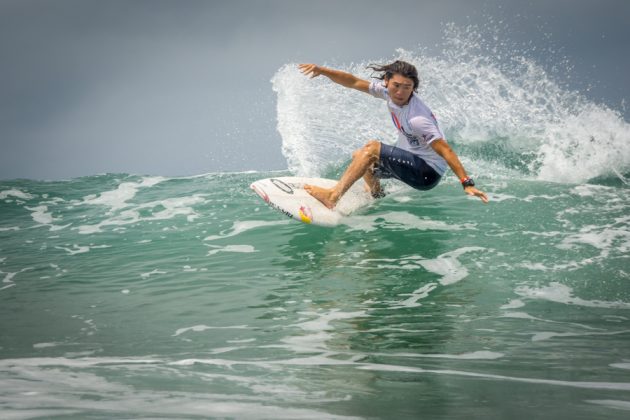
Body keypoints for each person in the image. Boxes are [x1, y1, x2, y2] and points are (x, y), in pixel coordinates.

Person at [298, 61, 488, 209]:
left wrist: (467, 183)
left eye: (407, 87)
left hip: (427, 173)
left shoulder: (418, 118)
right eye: (396, 85)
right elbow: (354, 81)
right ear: (386, 81)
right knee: (361, 158)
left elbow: (446, 150)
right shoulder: (387, 92)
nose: (400, 92)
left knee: (372, 148)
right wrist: (322, 71)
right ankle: (376, 195)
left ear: (413, 87)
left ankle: (332, 197)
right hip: (414, 162)